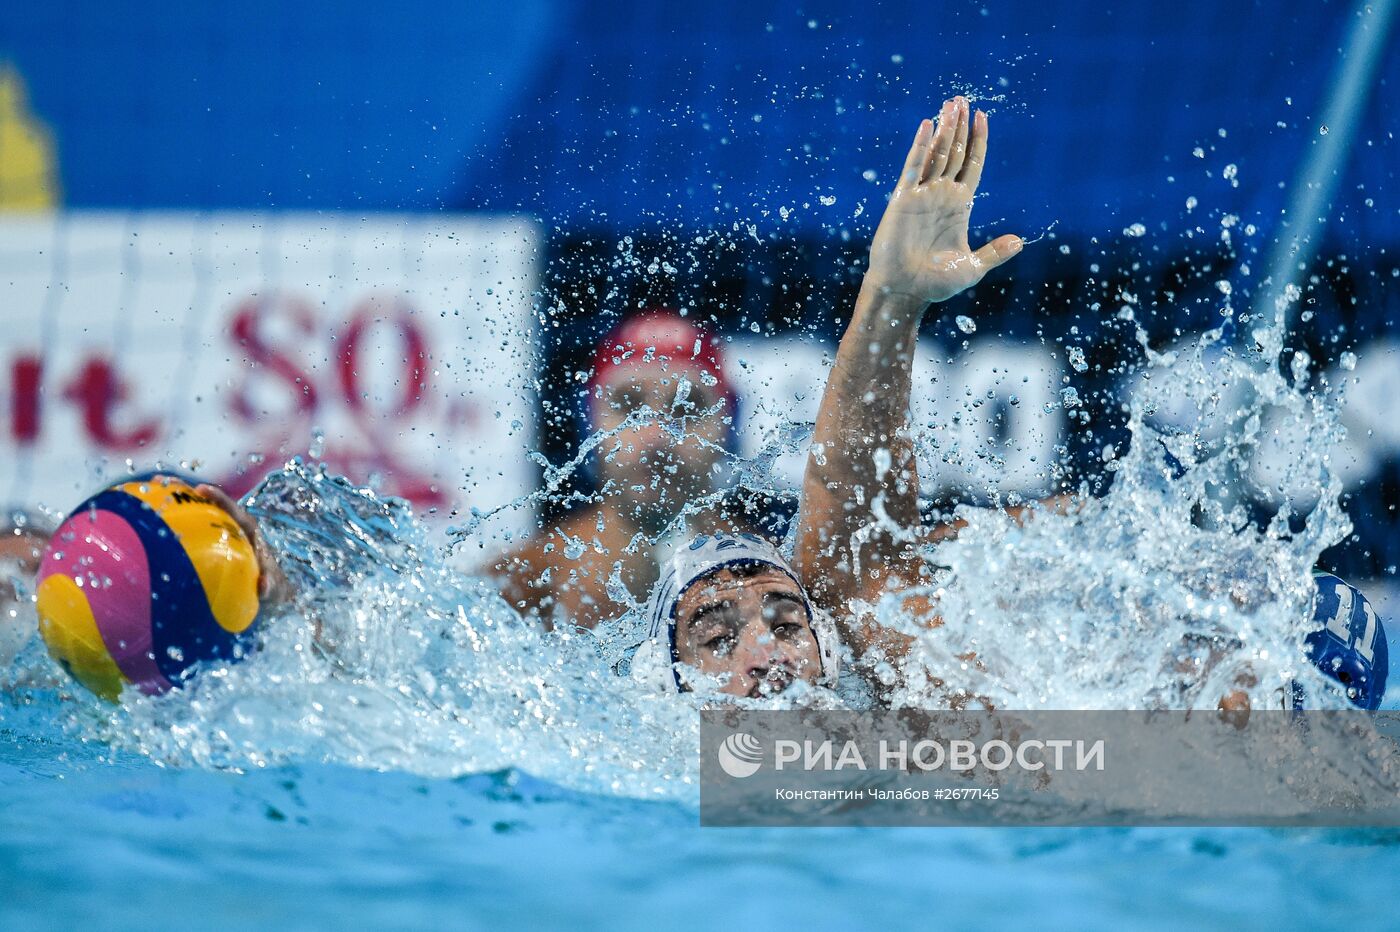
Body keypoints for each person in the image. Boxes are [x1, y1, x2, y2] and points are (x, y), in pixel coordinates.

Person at [489, 311, 741, 630]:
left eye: (686, 407)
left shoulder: (767, 576)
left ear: (727, 425)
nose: (656, 436)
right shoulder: (525, 583)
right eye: (629, 405)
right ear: (590, 422)